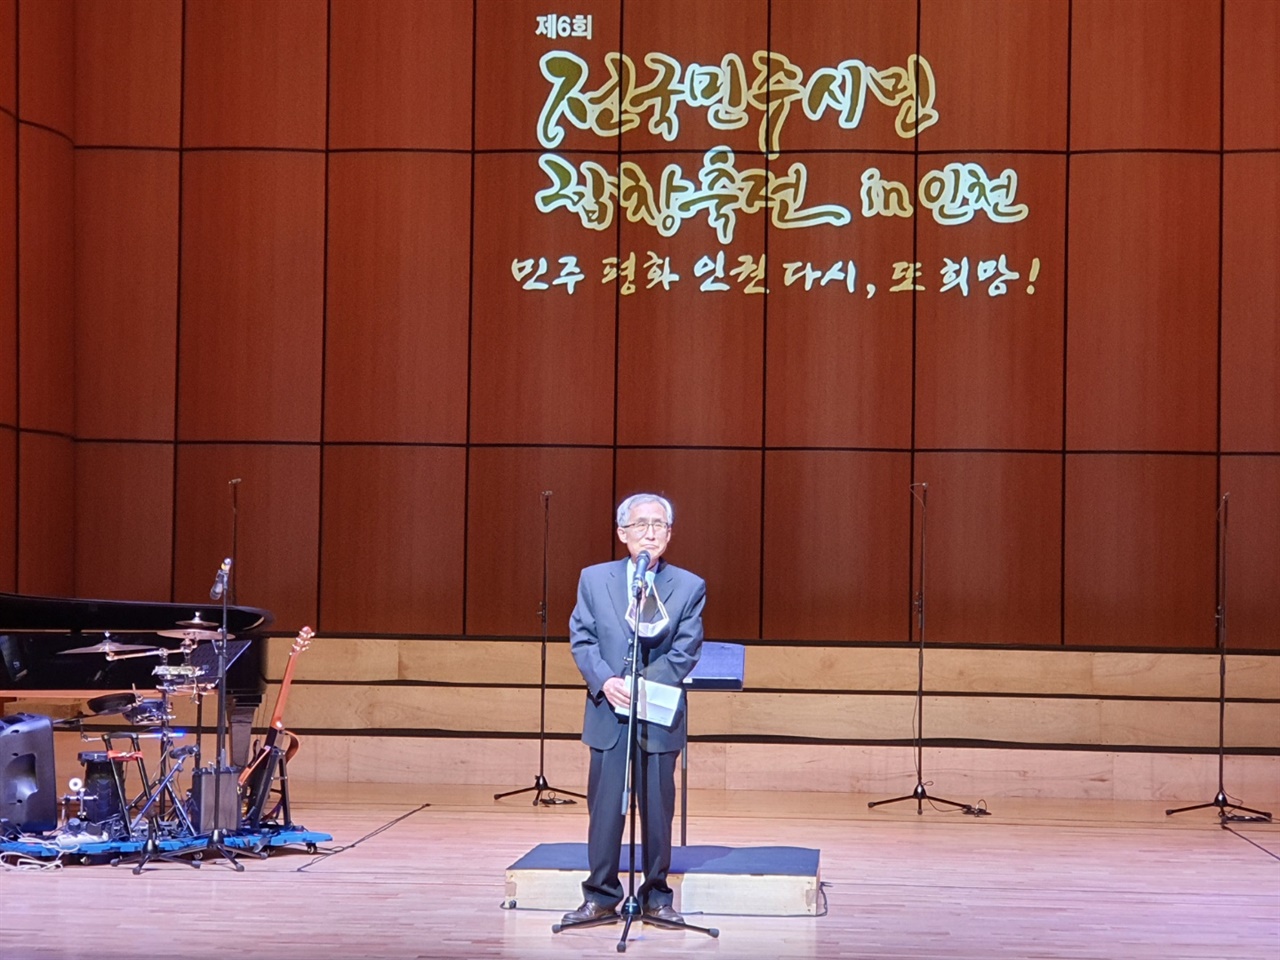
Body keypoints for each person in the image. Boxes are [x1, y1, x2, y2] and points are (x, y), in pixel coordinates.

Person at [560, 493, 706, 927]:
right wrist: (607, 680)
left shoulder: (689, 586)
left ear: (670, 534)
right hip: (609, 710)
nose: (650, 532)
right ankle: (602, 895)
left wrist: (642, 685)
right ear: (622, 534)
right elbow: (582, 639)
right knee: (605, 807)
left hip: (657, 714)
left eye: (659, 525)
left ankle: (656, 896)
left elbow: (685, 651)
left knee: (657, 809)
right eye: (640, 525)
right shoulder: (593, 578)